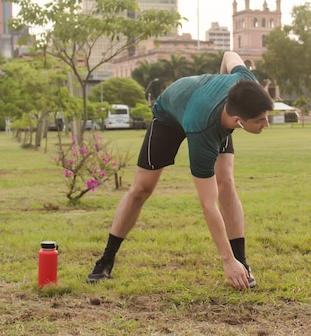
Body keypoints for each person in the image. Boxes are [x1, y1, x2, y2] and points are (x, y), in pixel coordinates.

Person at [87, 51, 274, 290]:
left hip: (210, 111)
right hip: (171, 116)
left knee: (226, 183)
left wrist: (219, 79)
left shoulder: (247, 86)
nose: (266, 124)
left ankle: (242, 263)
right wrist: (225, 261)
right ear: (239, 120)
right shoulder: (202, 129)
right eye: (260, 121)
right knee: (141, 189)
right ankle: (106, 260)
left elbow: (230, 54)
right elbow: (208, 204)